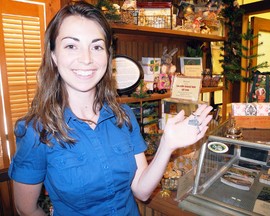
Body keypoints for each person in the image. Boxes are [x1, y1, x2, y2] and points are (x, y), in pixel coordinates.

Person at [8, 1, 213, 215]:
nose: (86, 59)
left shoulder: (123, 116)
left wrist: (167, 146)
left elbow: (141, 191)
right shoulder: (35, 130)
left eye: (96, 46)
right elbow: (26, 210)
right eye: (71, 46)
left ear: (108, 55)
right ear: (53, 56)